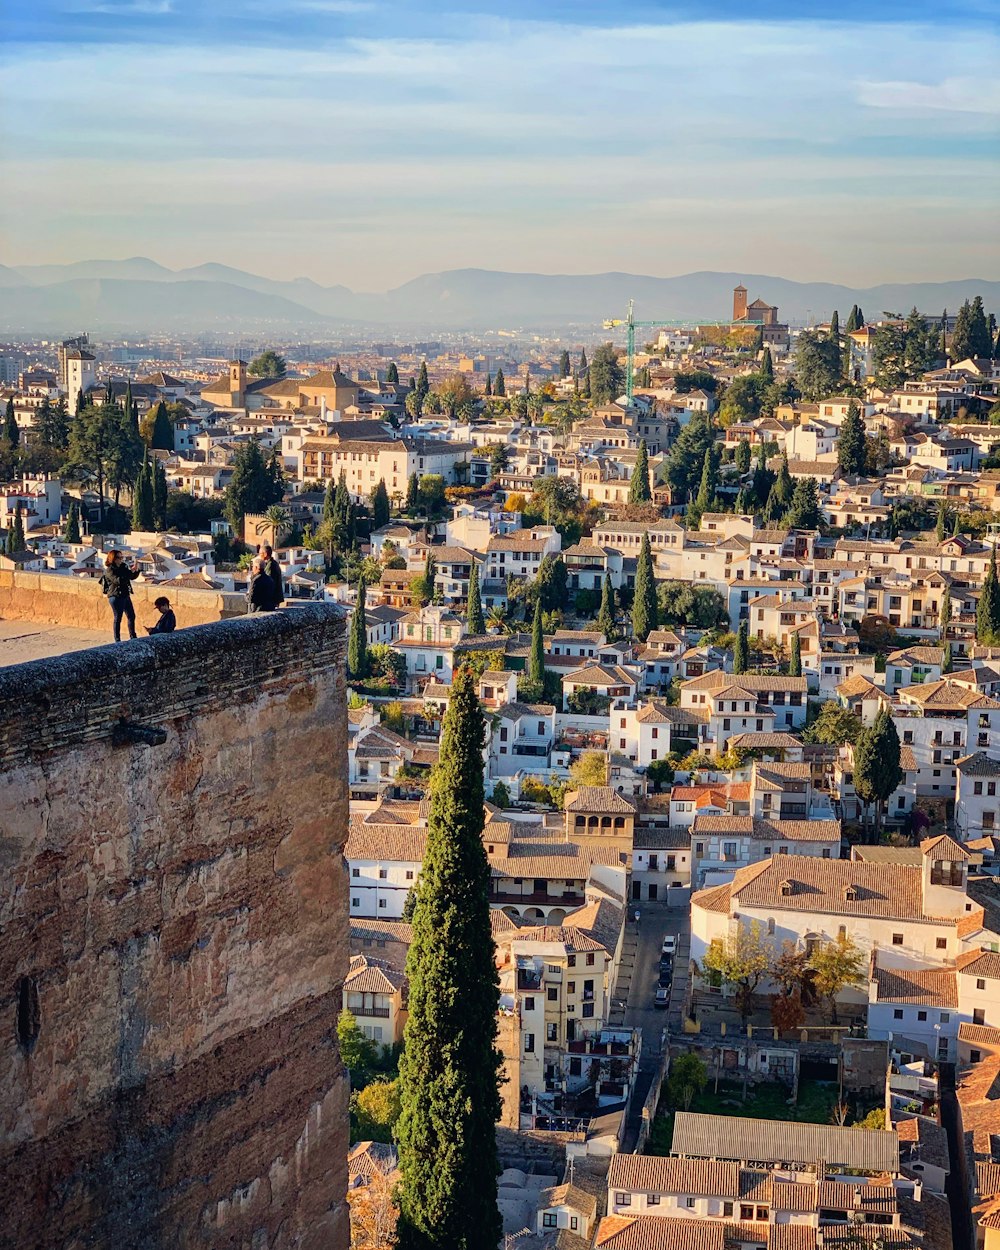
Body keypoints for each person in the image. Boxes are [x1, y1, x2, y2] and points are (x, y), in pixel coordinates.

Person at [99, 549, 141, 641]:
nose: (121, 559)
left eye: (121, 557)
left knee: (131, 616)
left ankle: (133, 636)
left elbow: (131, 577)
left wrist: (136, 570)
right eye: (118, 557)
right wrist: (130, 572)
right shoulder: (110, 570)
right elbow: (119, 581)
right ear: (113, 559)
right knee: (118, 618)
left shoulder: (123, 566)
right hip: (115, 596)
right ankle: (117, 639)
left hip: (125, 594)